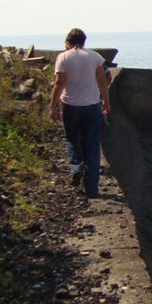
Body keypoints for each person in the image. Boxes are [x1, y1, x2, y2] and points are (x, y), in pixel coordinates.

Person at [49, 28, 110, 198]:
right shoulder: (95, 57)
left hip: (70, 106)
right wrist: (106, 102)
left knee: (72, 139)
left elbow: (58, 83)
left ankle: (76, 168)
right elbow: (103, 83)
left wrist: (53, 106)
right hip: (92, 106)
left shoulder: (63, 57)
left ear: (68, 42)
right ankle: (92, 189)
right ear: (84, 42)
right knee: (92, 146)